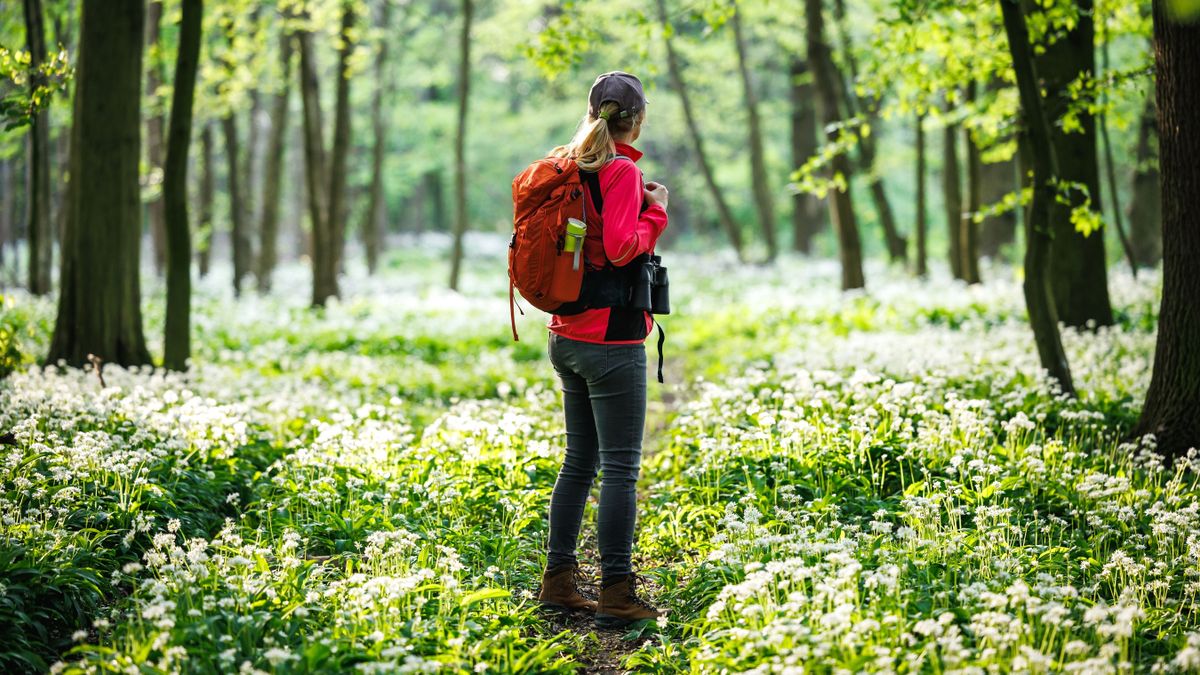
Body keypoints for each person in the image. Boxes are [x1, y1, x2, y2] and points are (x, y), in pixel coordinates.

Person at [536, 71, 669, 629]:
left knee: (579, 462)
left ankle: (558, 582)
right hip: (610, 340)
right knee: (619, 468)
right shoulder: (620, 171)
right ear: (636, 121)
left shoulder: (568, 164)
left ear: (593, 114)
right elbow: (619, 249)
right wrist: (655, 212)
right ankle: (616, 592)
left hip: (565, 333)